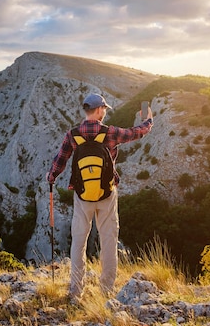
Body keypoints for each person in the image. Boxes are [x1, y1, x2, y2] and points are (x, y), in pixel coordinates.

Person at [47, 93, 153, 301]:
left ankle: (76, 290)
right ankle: (106, 290)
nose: (105, 112)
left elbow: (60, 160)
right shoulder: (110, 133)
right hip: (107, 194)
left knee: (78, 241)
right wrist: (148, 119)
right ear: (97, 110)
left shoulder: (72, 135)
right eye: (104, 108)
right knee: (109, 240)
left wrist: (51, 177)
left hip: (82, 195)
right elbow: (136, 133)